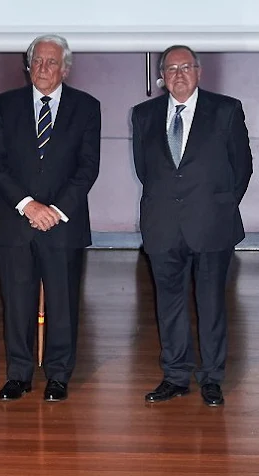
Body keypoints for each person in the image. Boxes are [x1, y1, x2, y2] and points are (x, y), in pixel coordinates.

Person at [132, 45, 253, 406]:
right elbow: (146, 169)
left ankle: (212, 378)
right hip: (163, 225)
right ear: (161, 77)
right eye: (171, 69)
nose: (179, 74)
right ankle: (175, 375)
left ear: (199, 72)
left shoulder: (226, 110)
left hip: (212, 223)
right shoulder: (144, 114)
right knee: (168, 304)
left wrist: (220, 205)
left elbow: (242, 167)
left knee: (212, 303)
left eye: (186, 67)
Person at [0, 34, 101, 402]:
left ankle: (58, 375)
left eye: (52, 62)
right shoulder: (5, 105)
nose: (44, 68)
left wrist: (55, 210)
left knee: (63, 303)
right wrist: (27, 205)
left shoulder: (87, 107)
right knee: (16, 302)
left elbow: (87, 167)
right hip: (16, 221)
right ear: (28, 65)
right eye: (38, 61)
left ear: (65, 68)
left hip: (63, 224)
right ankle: (18, 374)